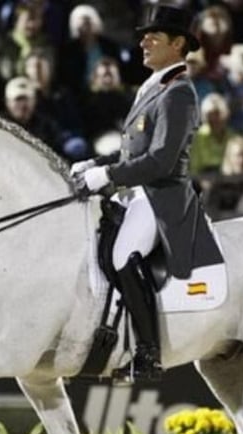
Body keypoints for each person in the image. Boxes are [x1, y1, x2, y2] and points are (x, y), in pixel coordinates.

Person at [71, 5, 222, 384]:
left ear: (178, 44)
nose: (143, 41)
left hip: (160, 196)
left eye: (153, 37)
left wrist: (107, 175)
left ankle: (147, 352)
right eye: (144, 35)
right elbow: (131, 154)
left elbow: (160, 161)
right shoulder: (153, 86)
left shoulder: (179, 94)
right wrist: (94, 163)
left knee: (123, 255)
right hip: (136, 192)